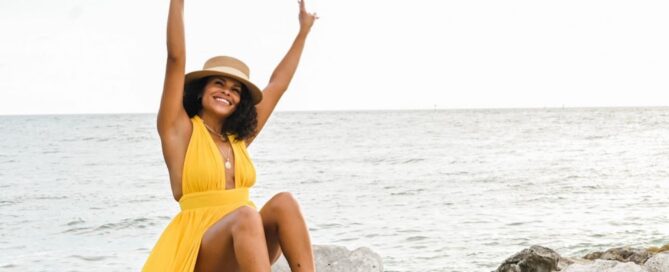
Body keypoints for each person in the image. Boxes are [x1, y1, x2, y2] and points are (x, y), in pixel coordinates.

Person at [143, 0, 318, 271]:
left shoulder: (239, 140)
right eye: (219, 83)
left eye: (236, 89)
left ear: (240, 101)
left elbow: (277, 85)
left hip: (246, 245)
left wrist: (303, 31)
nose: (227, 91)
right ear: (201, 91)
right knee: (246, 215)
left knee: (285, 201)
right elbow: (175, 58)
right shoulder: (179, 131)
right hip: (198, 250)